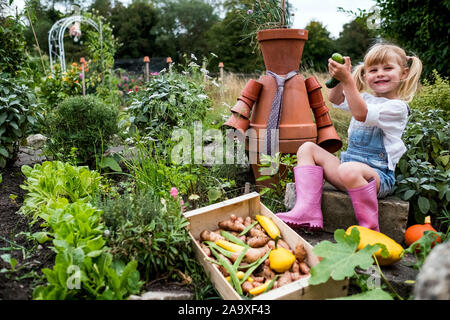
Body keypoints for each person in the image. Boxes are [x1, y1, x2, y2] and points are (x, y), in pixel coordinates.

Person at [277, 42, 423, 232]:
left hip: (376, 179)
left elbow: (361, 114)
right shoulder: (365, 98)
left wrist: (348, 81)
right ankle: (308, 211)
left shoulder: (398, 108)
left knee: (348, 170)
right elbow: (335, 99)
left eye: (388, 68)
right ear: (364, 75)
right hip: (346, 172)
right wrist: (338, 79)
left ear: (403, 73)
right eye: (373, 70)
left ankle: (370, 230)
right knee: (307, 148)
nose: (380, 73)